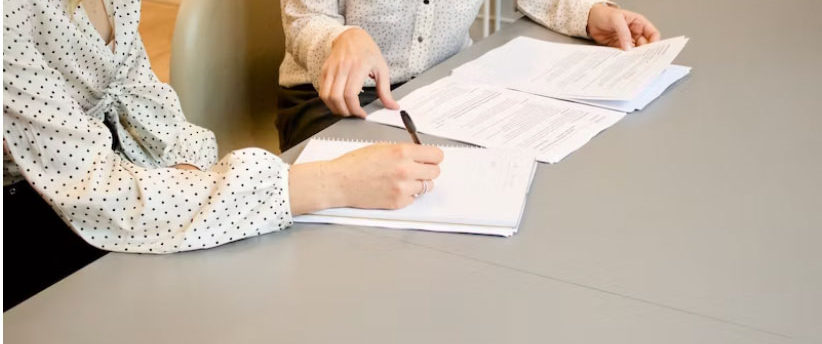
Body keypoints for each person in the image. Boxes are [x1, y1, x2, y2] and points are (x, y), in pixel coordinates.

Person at [2, 0, 443, 310]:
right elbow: (98, 192)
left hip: (99, 168)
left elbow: (136, 89)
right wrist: (331, 183)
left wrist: (191, 169)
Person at [276, 0, 661, 150]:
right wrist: (341, 39)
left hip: (442, 88)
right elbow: (305, 20)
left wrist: (590, 14)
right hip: (332, 99)